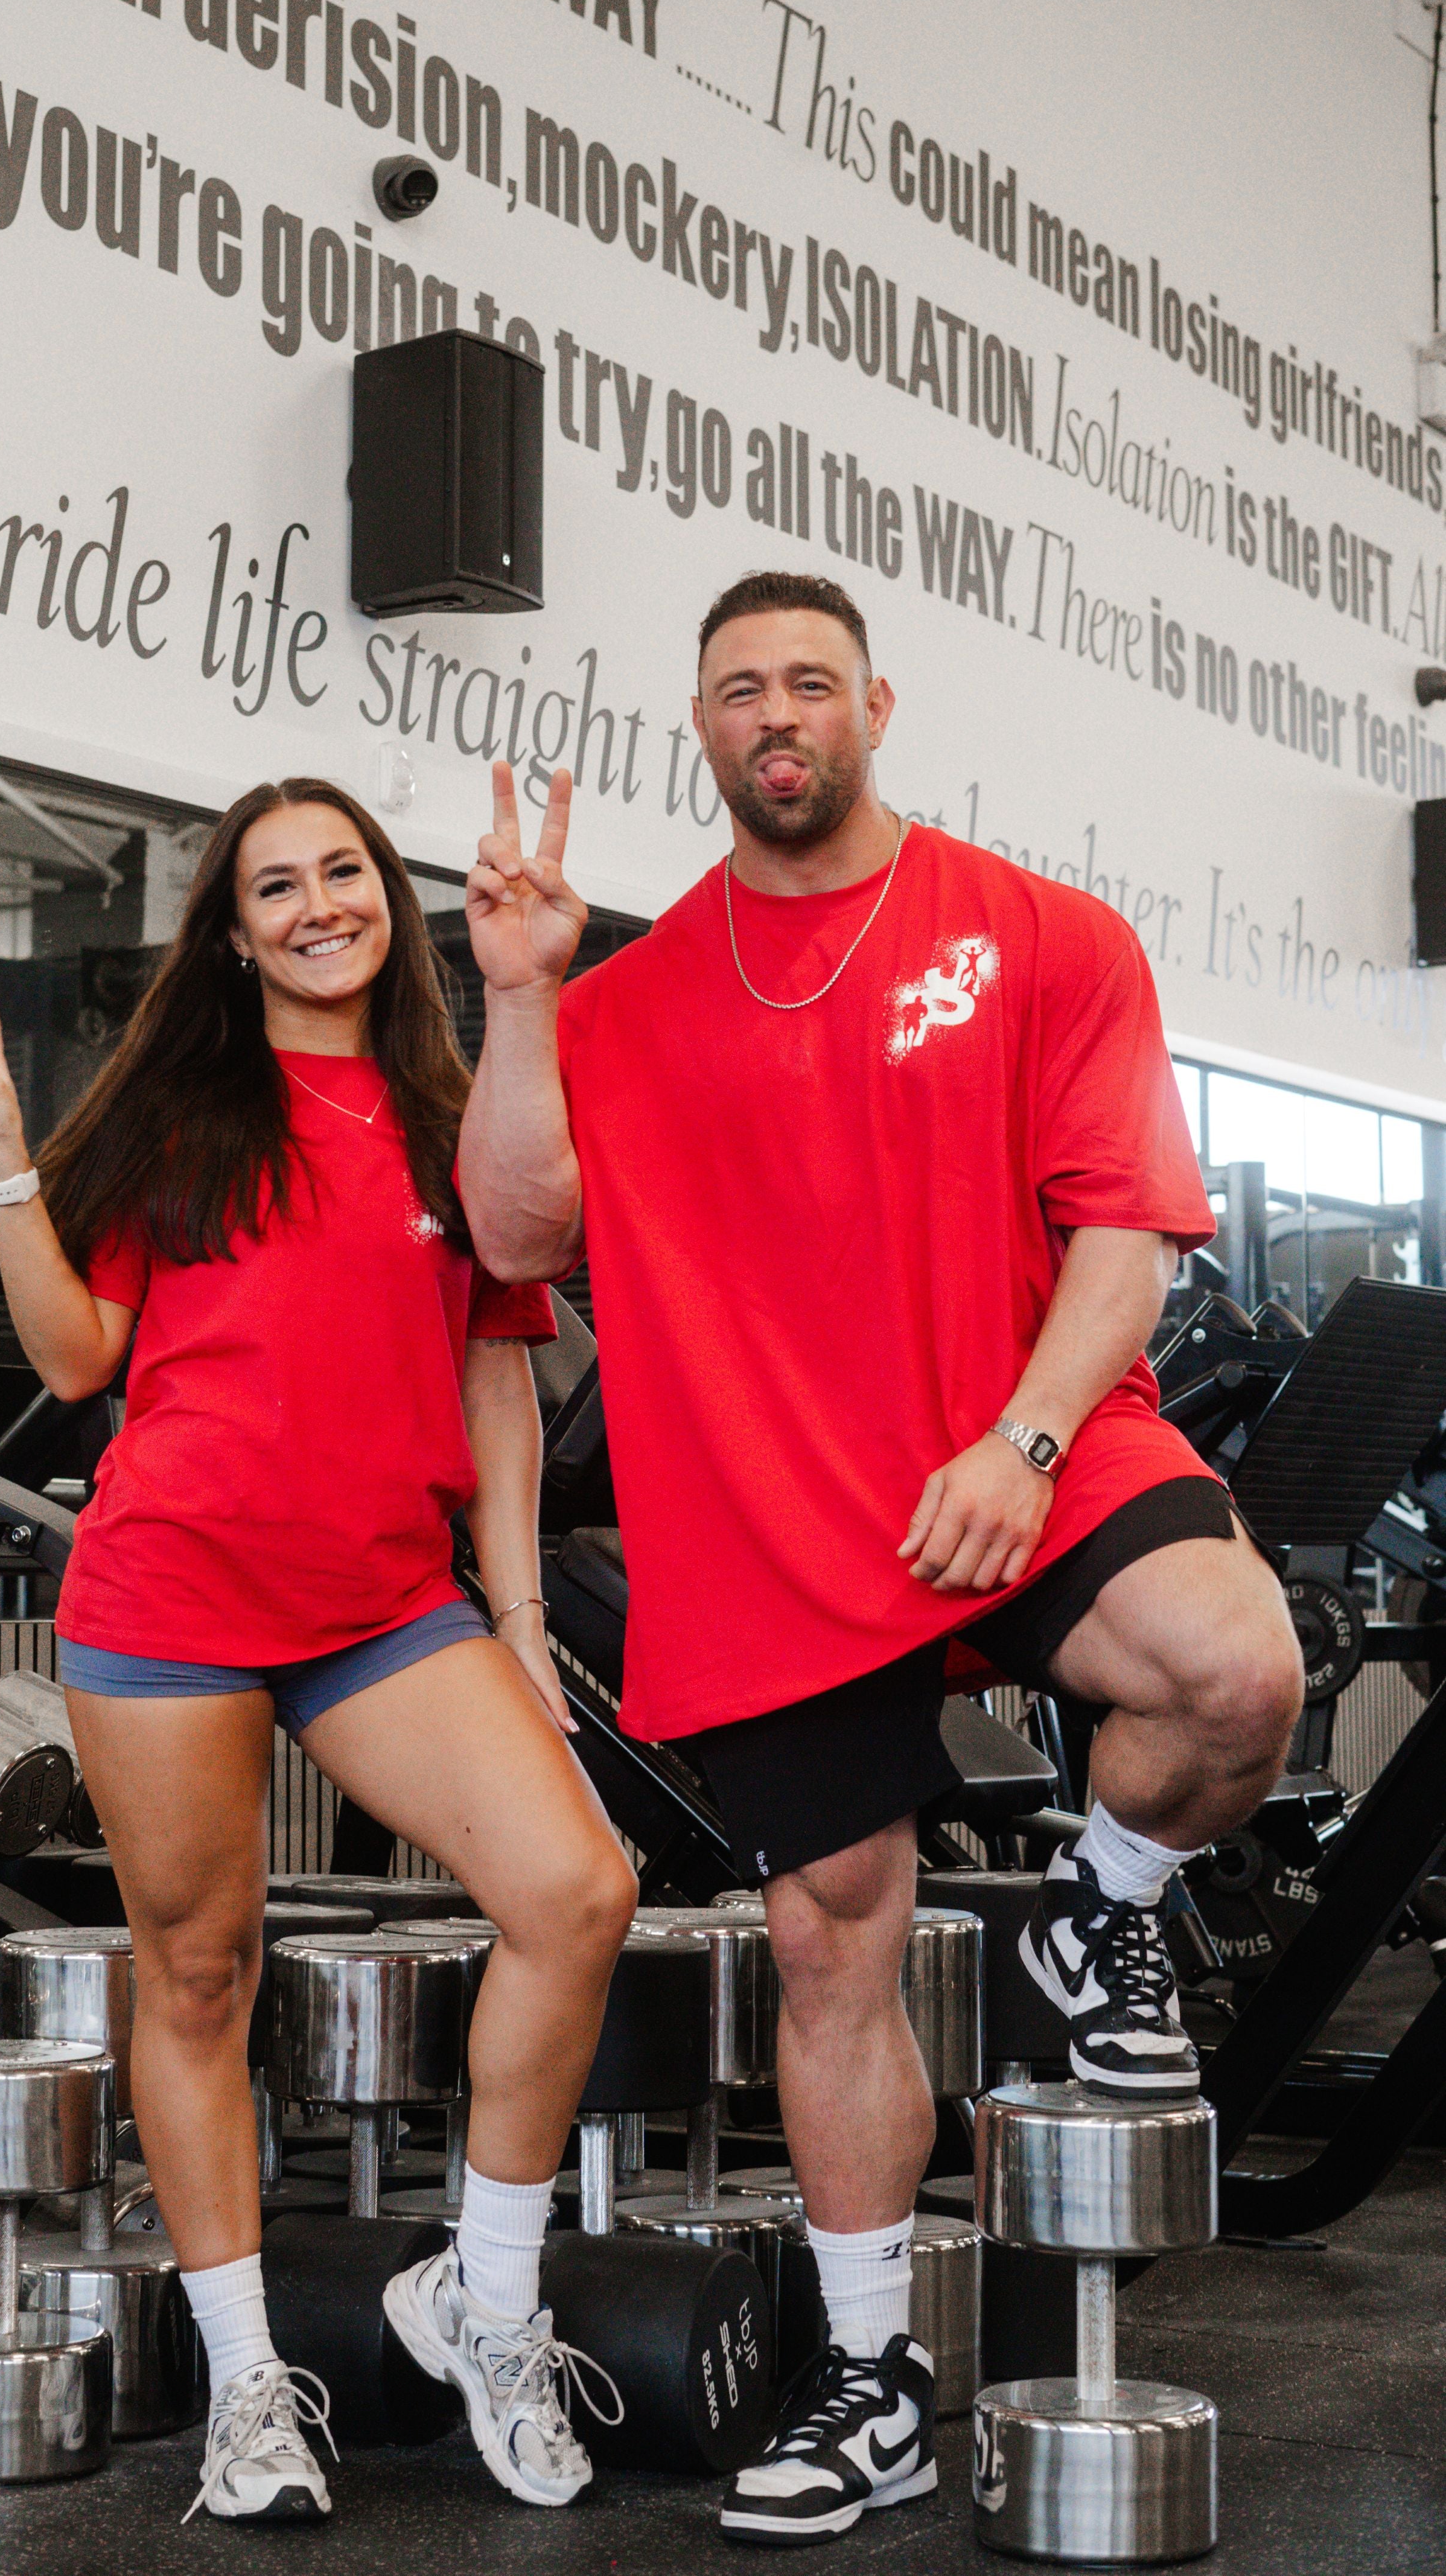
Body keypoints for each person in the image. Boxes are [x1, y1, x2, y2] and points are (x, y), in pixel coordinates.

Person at [455, 572, 1304, 2544]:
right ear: (703, 724)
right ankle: (874, 2377)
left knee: (1236, 1667)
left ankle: (1102, 1907)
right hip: (770, 1510)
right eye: (740, 684)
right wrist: (514, 992)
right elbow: (512, 1235)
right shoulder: (628, 1005)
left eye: (811, 681)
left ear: (877, 705)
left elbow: (1121, 1231)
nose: (779, 713)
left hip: (1020, 1439)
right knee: (831, 1933)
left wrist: (1018, 1439)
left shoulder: (1036, 935)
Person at [0, 775, 638, 2528]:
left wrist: (523, 1616)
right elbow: (80, 1355)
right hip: (167, 1595)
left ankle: (485, 2290)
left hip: (386, 1603)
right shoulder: (179, 1108)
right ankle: (250, 2379)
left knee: (578, 1888)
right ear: (231, 932)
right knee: (197, 1973)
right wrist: (5, 1163)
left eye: (345, 871)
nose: (321, 902)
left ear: (388, 900)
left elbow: (494, 1377)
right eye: (279, 884)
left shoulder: (448, 1120)